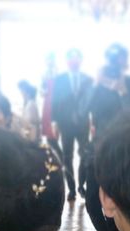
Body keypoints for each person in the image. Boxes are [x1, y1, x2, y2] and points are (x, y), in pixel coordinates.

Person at [84, 65, 124, 231]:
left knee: (109, 200)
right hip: (95, 151)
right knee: (91, 201)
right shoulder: (96, 93)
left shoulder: (117, 95)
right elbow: (84, 108)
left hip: (112, 152)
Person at [51, 48, 93, 201]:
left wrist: (93, 122)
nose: (74, 61)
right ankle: (71, 188)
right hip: (65, 124)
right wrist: (54, 123)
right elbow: (54, 102)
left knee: (84, 154)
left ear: (81, 60)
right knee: (67, 156)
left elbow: (91, 102)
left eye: (77, 58)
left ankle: (82, 185)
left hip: (83, 123)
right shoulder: (59, 80)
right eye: (71, 58)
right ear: (67, 61)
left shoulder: (88, 79)